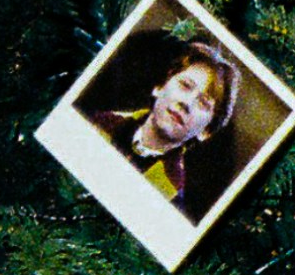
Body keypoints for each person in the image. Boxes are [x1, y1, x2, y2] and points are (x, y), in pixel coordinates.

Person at [84, 35, 241, 220]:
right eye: (185, 86)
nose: (187, 103)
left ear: (207, 132)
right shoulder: (95, 122)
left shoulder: (170, 201)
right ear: (159, 87)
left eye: (203, 103)